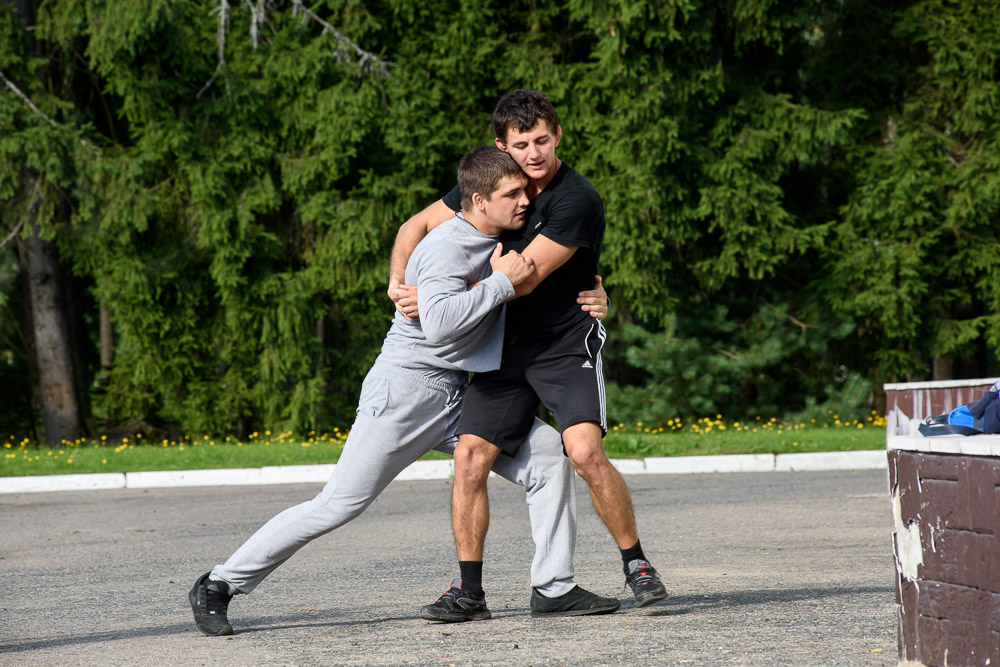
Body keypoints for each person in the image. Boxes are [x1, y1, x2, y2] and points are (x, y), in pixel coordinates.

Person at [189, 146, 618, 637]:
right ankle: (219, 583)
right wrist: (497, 284)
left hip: (458, 395)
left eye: (525, 189)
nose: (526, 199)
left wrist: (597, 296)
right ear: (478, 201)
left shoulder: (496, 236)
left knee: (547, 457)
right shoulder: (447, 248)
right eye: (513, 193)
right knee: (338, 505)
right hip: (405, 393)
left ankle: (554, 585)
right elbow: (437, 327)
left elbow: (541, 281)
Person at [390, 90, 667, 624]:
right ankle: (468, 591)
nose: (534, 152)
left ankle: (636, 564)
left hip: (565, 344)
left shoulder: (576, 199)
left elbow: (524, 276)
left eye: (543, 139)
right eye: (522, 144)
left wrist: (440, 300)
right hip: (503, 346)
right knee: (470, 455)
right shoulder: (495, 182)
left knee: (583, 452)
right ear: (503, 145)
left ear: (557, 135)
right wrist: (399, 284)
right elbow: (413, 228)